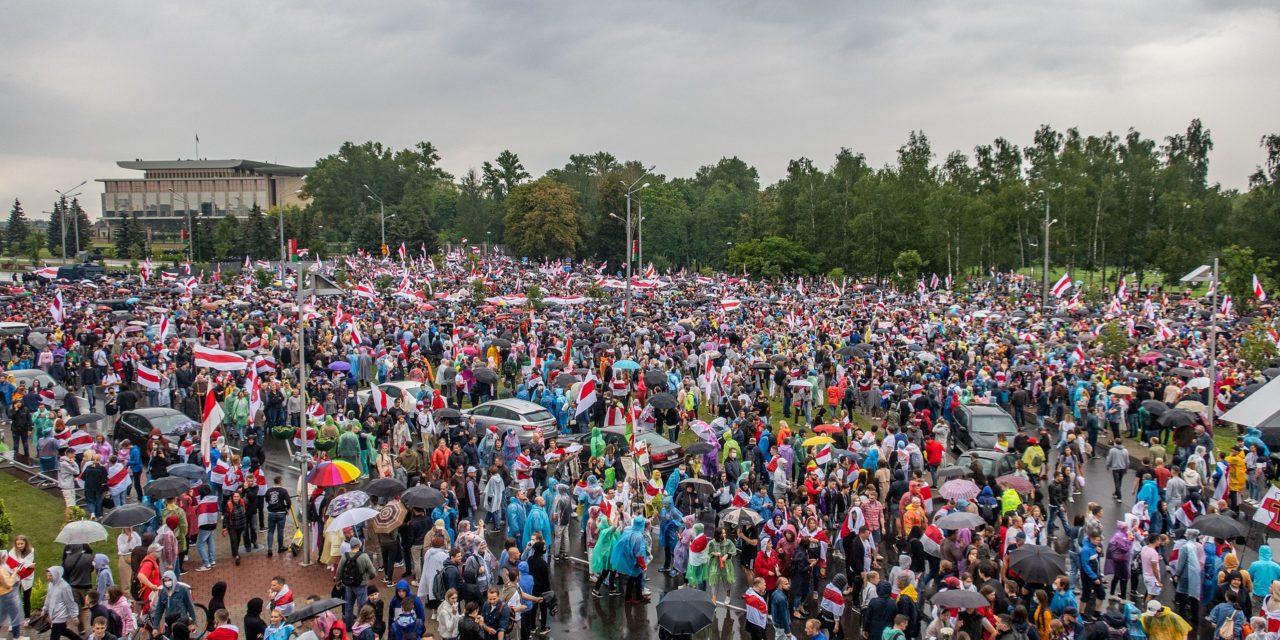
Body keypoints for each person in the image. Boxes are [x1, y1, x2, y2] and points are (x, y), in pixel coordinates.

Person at [337, 538, 376, 630]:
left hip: (348, 585)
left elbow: (339, 571)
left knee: (348, 607)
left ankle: (348, 627)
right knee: (362, 607)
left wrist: (338, 582)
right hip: (361, 585)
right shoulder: (364, 556)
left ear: (350, 546)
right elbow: (373, 572)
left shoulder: (345, 556)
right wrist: (370, 577)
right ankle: (359, 627)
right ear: (359, 545)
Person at [43, 566, 82, 640]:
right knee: (64, 631)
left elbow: (70, 602)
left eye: (50, 575)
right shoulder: (50, 585)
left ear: (56, 574)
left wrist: (74, 616)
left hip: (60, 615)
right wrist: (45, 608)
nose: (48, 578)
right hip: (54, 614)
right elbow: (48, 598)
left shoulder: (65, 586)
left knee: (54, 636)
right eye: (47, 575)